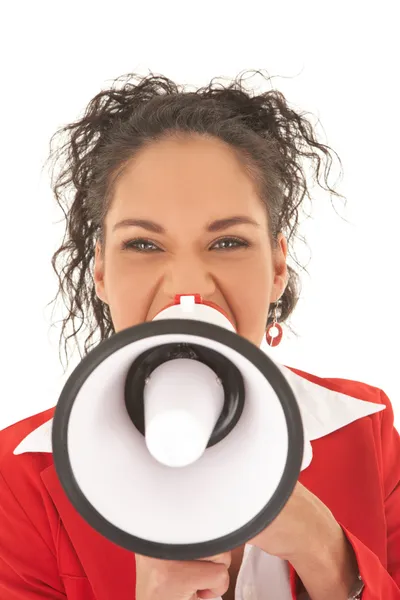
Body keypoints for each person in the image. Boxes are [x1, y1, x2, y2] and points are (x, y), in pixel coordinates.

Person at [0, 69, 399, 600]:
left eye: (229, 242)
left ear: (277, 266)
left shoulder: (365, 431)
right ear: (100, 271)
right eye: (143, 245)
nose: (188, 287)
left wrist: (329, 557)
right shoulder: (23, 476)